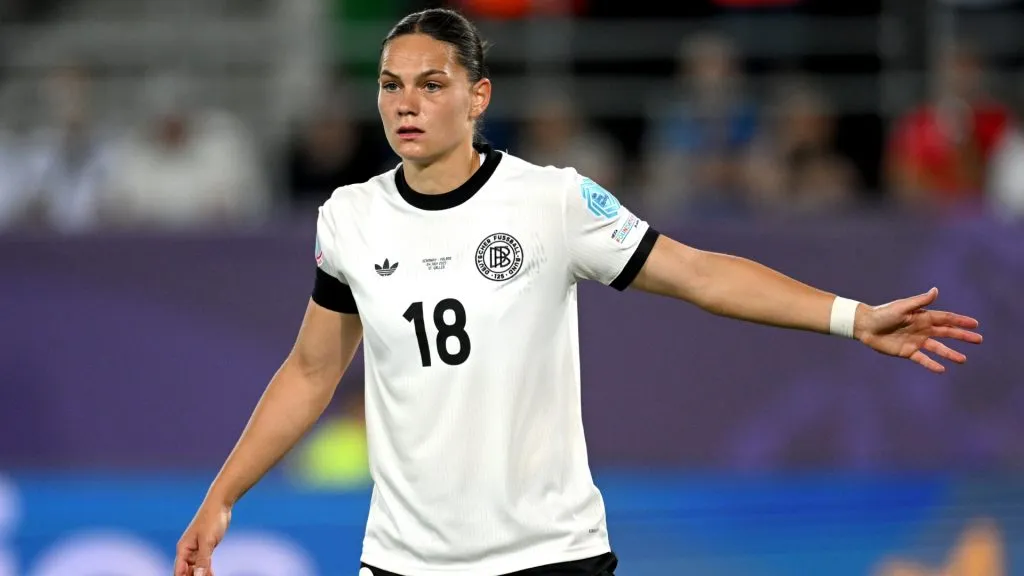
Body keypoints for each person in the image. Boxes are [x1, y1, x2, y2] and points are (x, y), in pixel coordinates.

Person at [174, 8, 984, 576]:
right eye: (390, 85)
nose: (406, 104)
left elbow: (699, 274)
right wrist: (222, 498)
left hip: (548, 555)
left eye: (430, 84)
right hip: (403, 562)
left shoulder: (551, 201)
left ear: (478, 96)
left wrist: (853, 317)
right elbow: (312, 373)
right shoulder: (350, 218)